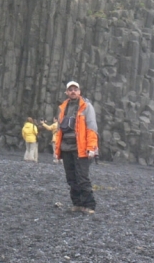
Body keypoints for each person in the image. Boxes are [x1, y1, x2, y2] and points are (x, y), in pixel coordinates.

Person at [41, 81, 98, 214]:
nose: (73, 91)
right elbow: (59, 130)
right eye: (70, 89)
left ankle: (89, 205)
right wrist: (57, 150)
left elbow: (92, 128)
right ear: (67, 92)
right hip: (66, 148)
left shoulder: (86, 107)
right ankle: (77, 203)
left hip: (81, 149)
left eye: (75, 89)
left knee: (82, 178)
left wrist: (91, 147)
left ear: (80, 91)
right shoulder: (63, 108)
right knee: (71, 178)